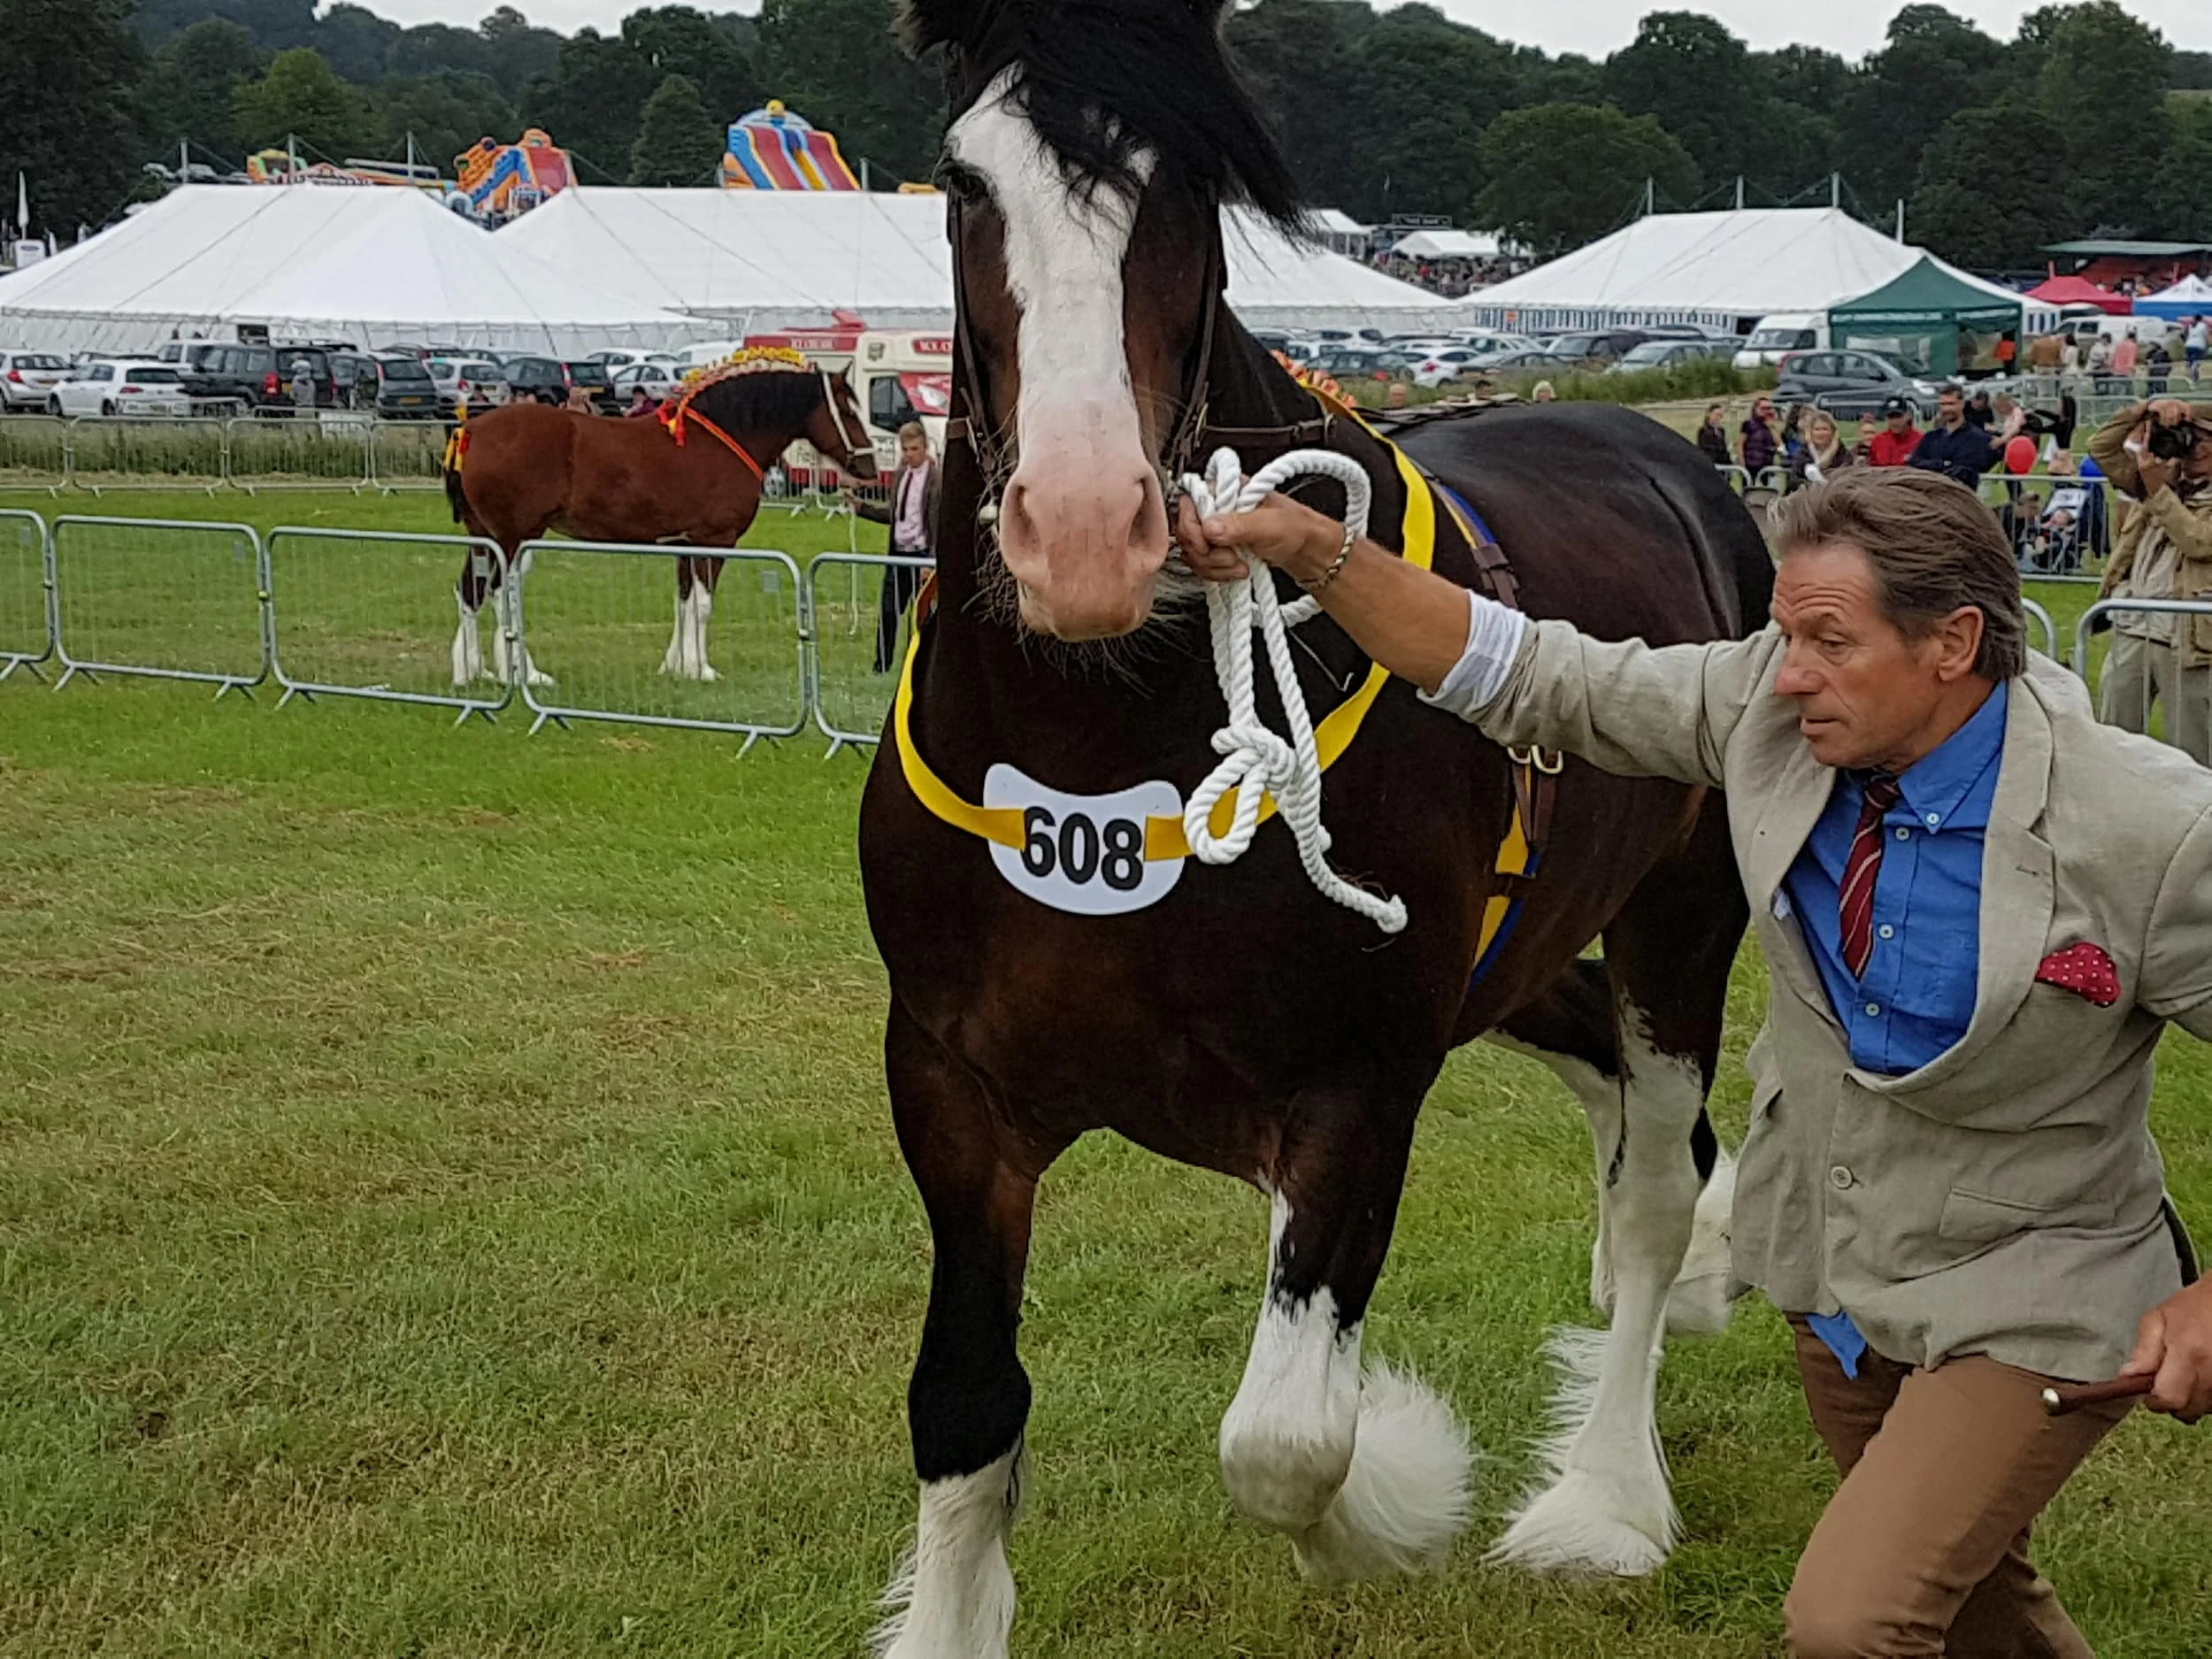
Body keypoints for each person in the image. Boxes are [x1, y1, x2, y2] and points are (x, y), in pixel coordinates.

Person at [1172, 465, 2212, 1659]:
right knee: (1977, 1602)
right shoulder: (1770, 708)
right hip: (1831, 1285)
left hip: (2036, 1293)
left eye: (1830, 638)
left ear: (1955, 644)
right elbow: (1526, 669)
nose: (1793, 671)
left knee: (1852, 1618)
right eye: (1782, 632)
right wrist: (1313, 547)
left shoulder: (2146, 824)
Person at [2086, 395, 2212, 764]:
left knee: (2192, 752)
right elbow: (2101, 448)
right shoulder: (2163, 477)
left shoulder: (2159, 486)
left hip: (2187, 637)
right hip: (2134, 624)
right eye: (2191, 436)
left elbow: (2199, 541)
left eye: (2207, 439)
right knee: (2111, 740)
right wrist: (2143, 411)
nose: (2196, 448)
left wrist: (2157, 490)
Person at [851, 420, 939, 672]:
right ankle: (882, 663)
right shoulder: (901, 476)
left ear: (925, 447)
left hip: (922, 557)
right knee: (889, 610)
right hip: (898, 555)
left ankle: (923, 665)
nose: (909, 455)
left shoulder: (936, 479)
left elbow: (938, 523)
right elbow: (894, 514)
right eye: (906, 450)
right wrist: (862, 508)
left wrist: (931, 561)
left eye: (914, 449)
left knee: (924, 616)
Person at [1909, 383, 2009, 490]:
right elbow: (1914, 463)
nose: (1947, 409)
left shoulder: (1977, 439)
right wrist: (1943, 464)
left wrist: (1933, 467)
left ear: (1962, 404)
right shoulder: (1931, 438)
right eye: (1943, 404)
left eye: (1951, 404)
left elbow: (1966, 471)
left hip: (1960, 500)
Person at [1788, 408, 1855, 491]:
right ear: (1811, 432)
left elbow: (1848, 477)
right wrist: (1808, 485)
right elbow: (1793, 480)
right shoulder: (1803, 454)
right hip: (1807, 496)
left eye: (1825, 429)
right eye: (1817, 429)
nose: (1821, 433)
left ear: (1833, 432)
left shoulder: (1843, 454)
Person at [1865, 396, 1922, 467]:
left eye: (1899, 416)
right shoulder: (1878, 441)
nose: (1895, 422)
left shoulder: (1921, 440)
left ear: (1909, 415)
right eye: (1891, 417)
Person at [1740, 395, 1779, 475]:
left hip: (1767, 466)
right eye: (1763, 408)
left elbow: (1779, 444)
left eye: (1768, 408)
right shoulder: (1748, 424)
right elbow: (1740, 444)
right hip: (1751, 465)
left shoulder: (1771, 426)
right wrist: (1742, 464)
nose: (1765, 411)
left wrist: (1771, 427)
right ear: (1756, 409)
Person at [1696, 402, 1732, 468]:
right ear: (1709, 414)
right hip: (1710, 463)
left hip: (1722, 462)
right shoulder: (1703, 430)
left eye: (1720, 415)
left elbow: (1724, 447)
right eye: (1716, 414)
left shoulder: (1721, 431)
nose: (1718, 418)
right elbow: (1705, 447)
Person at [2188, 316, 2208, 383]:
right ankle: (2196, 379)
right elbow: (2206, 336)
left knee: (2192, 363)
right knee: (2197, 363)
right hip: (2198, 346)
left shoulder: (2190, 325)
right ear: (2201, 319)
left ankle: (2192, 379)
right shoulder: (2203, 326)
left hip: (2188, 346)